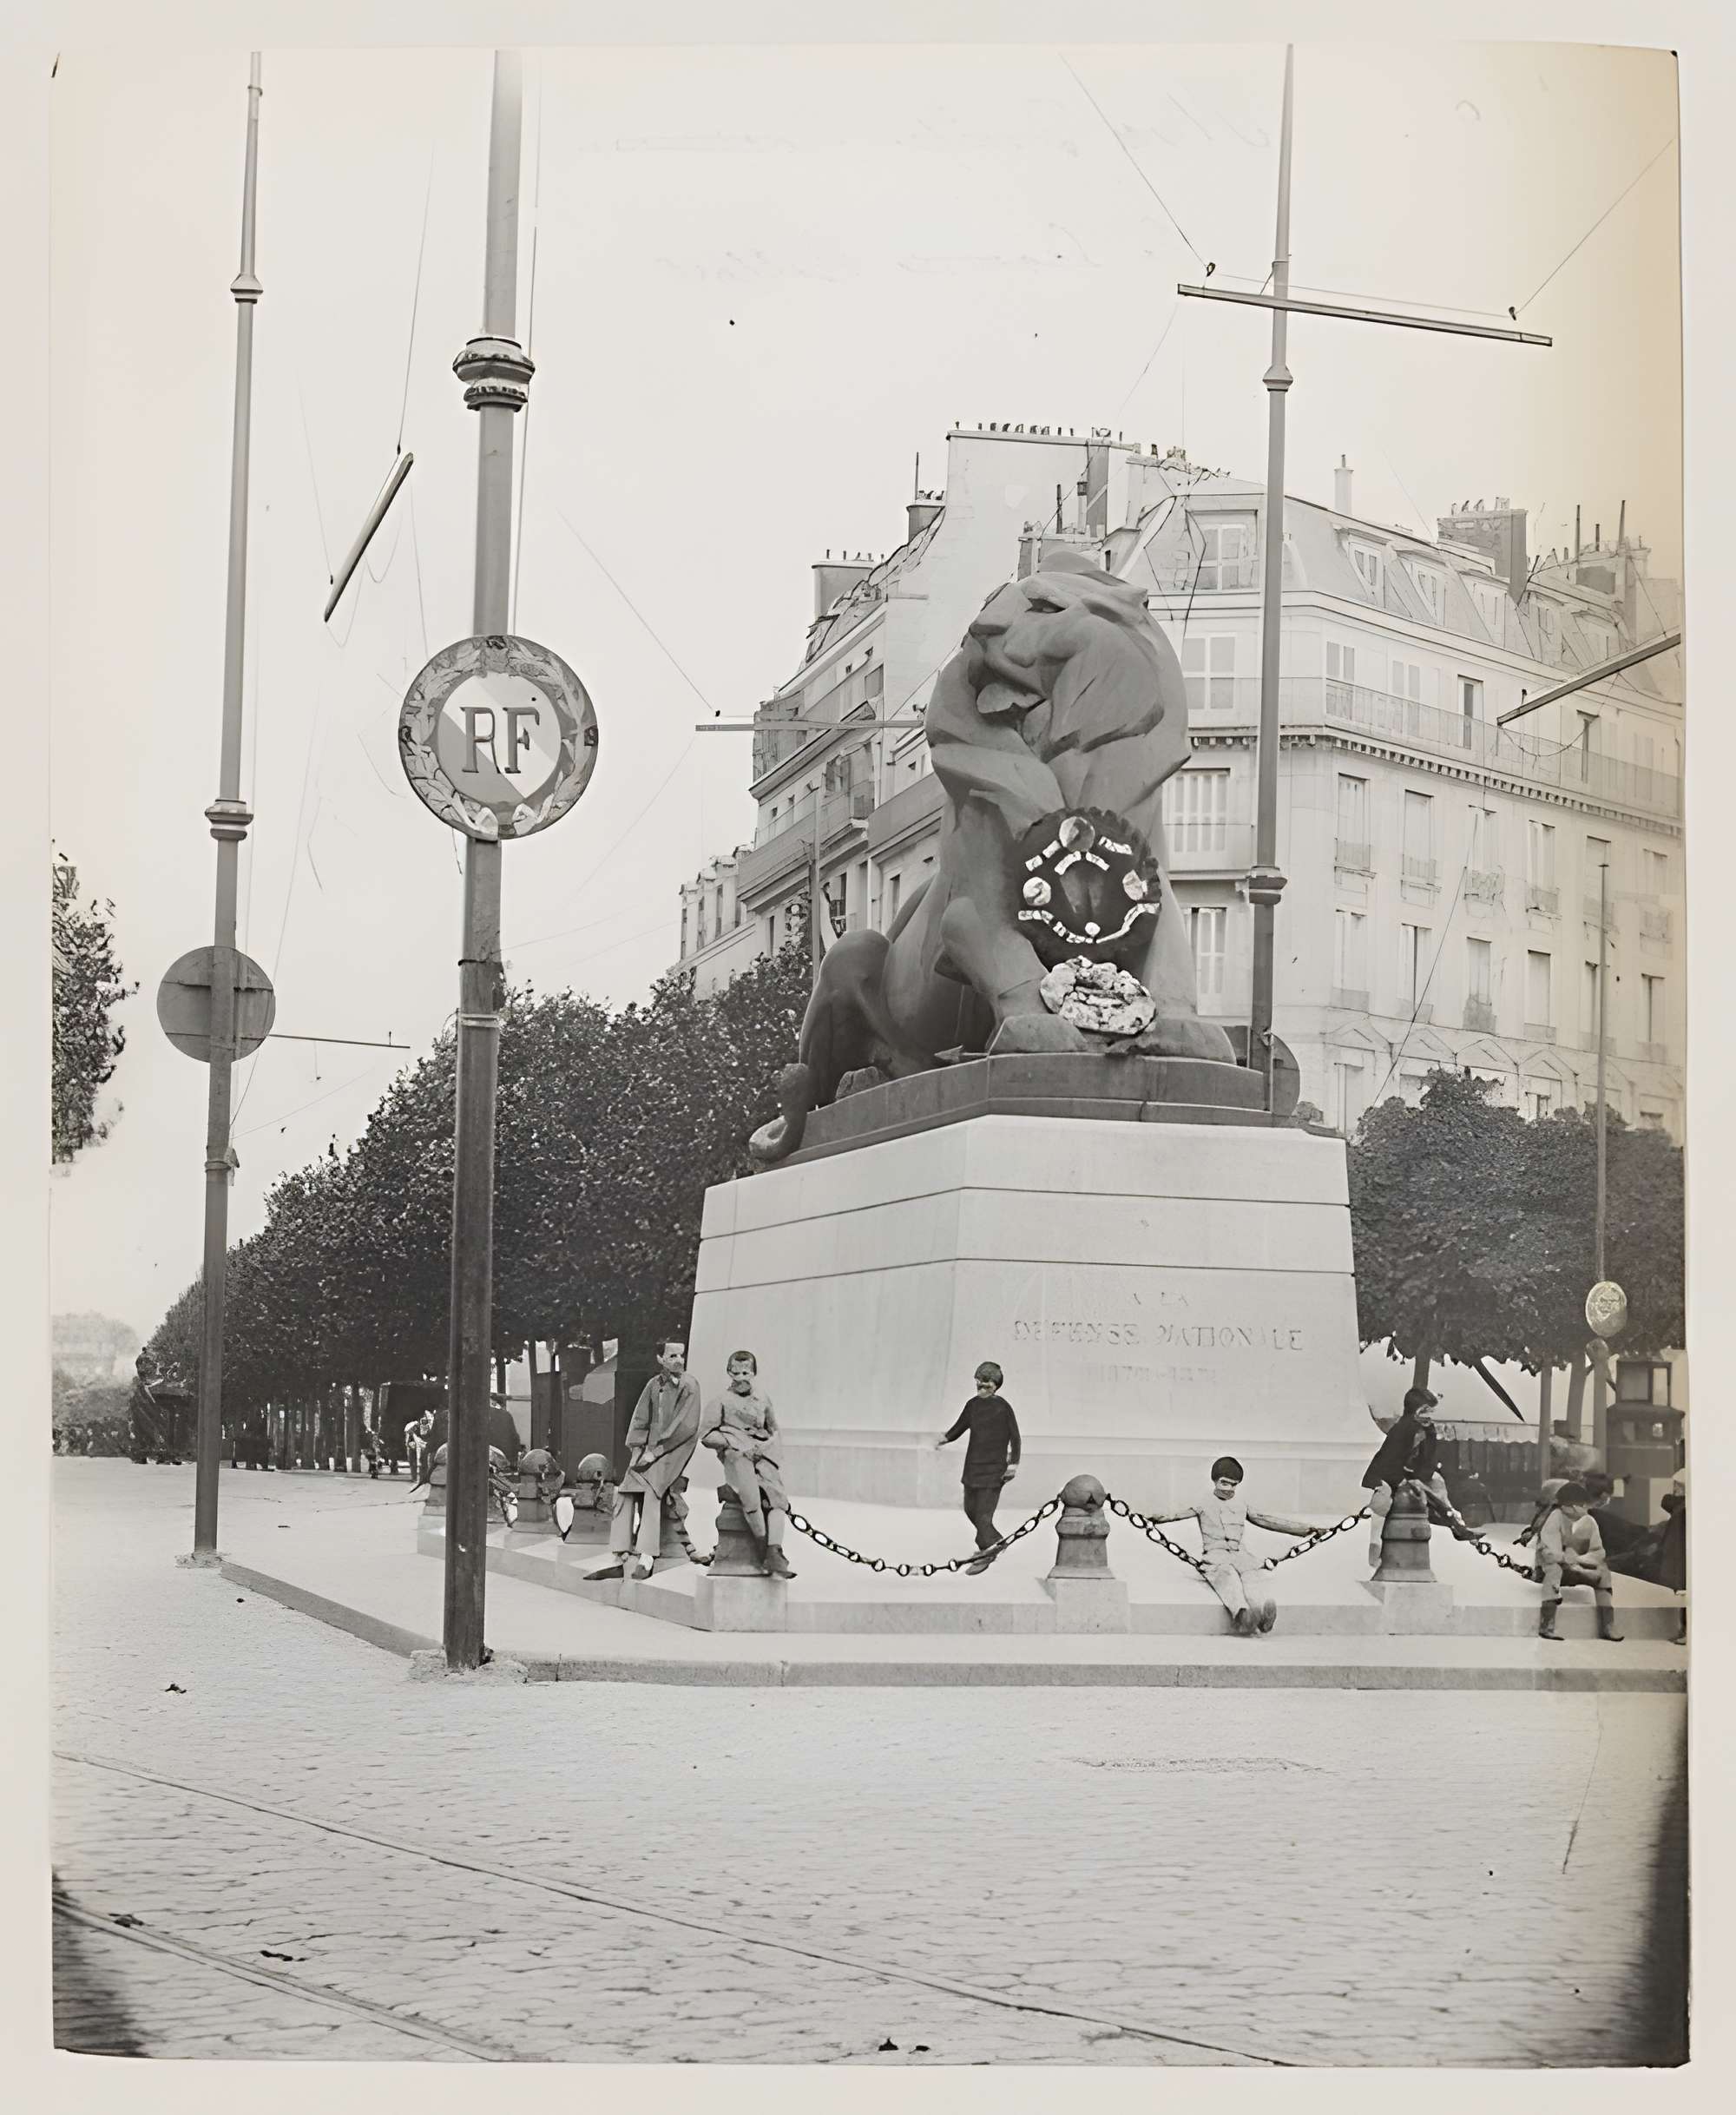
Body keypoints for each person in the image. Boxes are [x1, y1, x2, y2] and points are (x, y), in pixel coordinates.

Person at [1145, 1457, 1320, 1635]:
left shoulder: (1241, 1504)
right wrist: (1150, 1518)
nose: (1228, 1489)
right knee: (1227, 1576)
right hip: (1216, 1556)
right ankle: (1242, 1616)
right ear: (1215, 1481)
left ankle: (1264, 1617)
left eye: (1233, 1485)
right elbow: (1174, 1514)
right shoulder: (1203, 1503)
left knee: (1251, 1576)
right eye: (1224, 1483)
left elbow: (1265, 1520)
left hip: (1240, 1556)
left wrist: (1306, 1530)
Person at [597, 1339, 707, 1582]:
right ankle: (620, 1554)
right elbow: (640, 1418)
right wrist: (638, 1449)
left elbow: (687, 1426)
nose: (679, 1360)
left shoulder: (690, 1385)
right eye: (673, 1356)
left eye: (681, 1355)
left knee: (651, 1491)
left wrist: (655, 1452)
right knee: (625, 1491)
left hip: (674, 1451)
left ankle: (647, 1554)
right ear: (661, 1359)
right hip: (648, 1451)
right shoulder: (653, 1385)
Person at [701, 1350, 795, 1578]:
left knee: (778, 1501)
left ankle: (775, 1551)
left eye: (746, 1372)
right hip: (736, 1458)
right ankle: (762, 1547)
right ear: (729, 1372)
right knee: (751, 1501)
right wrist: (732, 1442)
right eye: (736, 1372)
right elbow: (706, 1435)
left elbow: (774, 1429)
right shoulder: (721, 1402)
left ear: (753, 1373)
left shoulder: (762, 1399)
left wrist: (765, 1447)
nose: (741, 1377)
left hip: (762, 1457)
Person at [1361, 1387, 1470, 1569]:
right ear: (1415, 1410)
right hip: (1386, 1478)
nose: (1429, 1415)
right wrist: (1401, 1480)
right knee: (1382, 1506)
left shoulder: (1427, 1430)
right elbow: (1389, 1460)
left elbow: (1428, 1461)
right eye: (1425, 1410)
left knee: (1437, 1484)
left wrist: (1423, 1475)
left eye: (1430, 1411)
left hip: (1408, 1474)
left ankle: (1455, 1520)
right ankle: (1375, 1549)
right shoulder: (1402, 1430)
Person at [935, 1361, 1022, 1574]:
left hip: (994, 1471)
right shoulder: (972, 1405)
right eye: (979, 1386)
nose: (982, 1390)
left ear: (996, 1386)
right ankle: (996, 1542)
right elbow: (960, 1426)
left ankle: (987, 1550)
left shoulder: (1003, 1407)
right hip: (972, 1468)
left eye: (987, 1386)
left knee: (984, 1515)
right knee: (970, 1509)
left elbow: (1015, 1437)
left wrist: (1013, 1464)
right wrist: (945, 1438)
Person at [1535, 1480, 1623, 1641]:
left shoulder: (1589, 1522)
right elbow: (1550, 1554)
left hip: (1578, 1567)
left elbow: (1598, 1553)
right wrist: (1569, 1562)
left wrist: (1581, 1561)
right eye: (1583, 1505)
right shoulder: (1554, 1519)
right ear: (1573, 1506)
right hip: (1551, 1569)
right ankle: (1547, 1624)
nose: (1586, 1508)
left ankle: (1608, 1626)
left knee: (1604, 1573)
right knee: (1554, 1569)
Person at [1657, 1477, 1686, 1644]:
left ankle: (1687, 1631)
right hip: (1677, 1556)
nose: (1674, 1489)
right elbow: (1667, 1501)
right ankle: (1684, 1630)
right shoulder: (1681, 1506)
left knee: (1685, 1594)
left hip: (1679, 1557)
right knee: (1682, 1595)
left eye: (1677, 1485)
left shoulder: (1684, 1508)